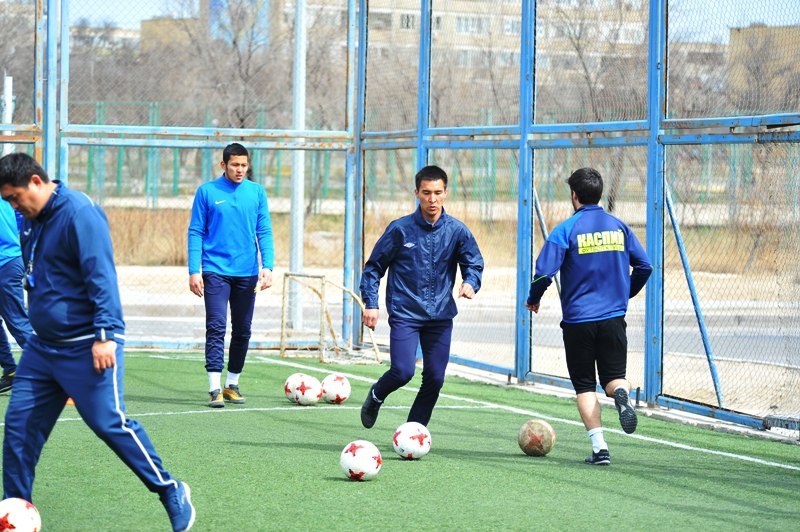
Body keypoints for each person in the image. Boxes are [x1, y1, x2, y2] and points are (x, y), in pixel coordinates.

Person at [0, 153, 195, 531]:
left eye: (14, 198)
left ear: (36, 182)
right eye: (7, 201)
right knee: (19, 428)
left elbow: (101, 276)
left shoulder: (80, 214)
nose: (13, 207)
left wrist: (105, 335)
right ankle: (14, 510)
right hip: (43, 348)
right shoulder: (31, 219)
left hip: (87, 344)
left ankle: (170, 489)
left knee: (109, 423)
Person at [525, 167, 652, 466]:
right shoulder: (619, 227)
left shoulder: (566, 230)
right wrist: (624, 293)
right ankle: (621, 395)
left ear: (574, 195)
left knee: (584, 386)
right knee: (614, 378)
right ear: (600, 193)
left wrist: (533, 299)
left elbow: (543, 274)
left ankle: (600, 449)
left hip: (578, 321)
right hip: (613, 317)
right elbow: (644, 266)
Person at [359, 164, 484, 429]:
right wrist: (371, 303)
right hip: (405, 313)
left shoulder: (457, 231)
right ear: (417, 193)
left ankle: (413, 431)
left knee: (435, 378)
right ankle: (377, 395)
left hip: (440, 316)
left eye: (438, 193)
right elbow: (374, 268)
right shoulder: (400, 229)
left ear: (445, 193)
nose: (432, 199)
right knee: (403, 371)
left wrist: (470, 282)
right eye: (426, 193)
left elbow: (473, 263)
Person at [188, 143, 274, 408]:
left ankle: (232, 385)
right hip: (215, 270)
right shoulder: (206, 192)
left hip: (247, 273)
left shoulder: (256, 192)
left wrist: (268, 266)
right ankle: (214, 387)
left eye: (244, 165)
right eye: (235, 165)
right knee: (216, 326)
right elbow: (195, 231)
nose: (240, 170)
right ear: (223, 165)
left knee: (243, 329)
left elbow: (264, 231)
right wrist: (194, 270)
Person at [0, 200, 34, 393]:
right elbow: (21, 218)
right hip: (11, 259)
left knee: (16, 321)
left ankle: (58, 373)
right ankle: (10, 371)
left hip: (6, 263)